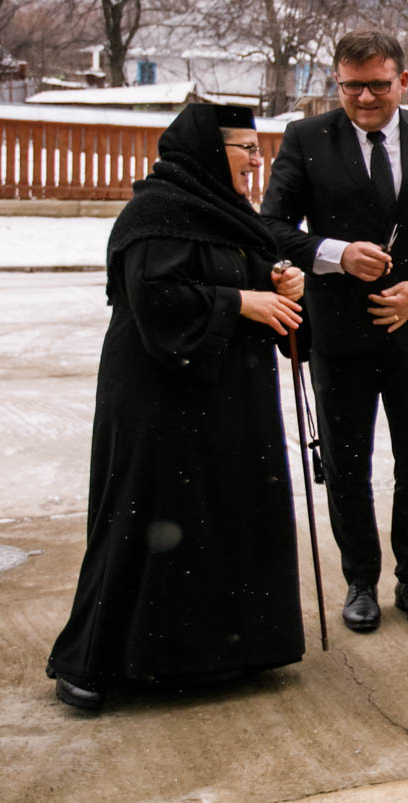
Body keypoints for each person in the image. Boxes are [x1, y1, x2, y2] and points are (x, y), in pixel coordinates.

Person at [48, 104, 306, 711]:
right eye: (243, 146)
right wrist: (240, 302)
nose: (253, 157)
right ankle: (105, 660)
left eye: (255, 146)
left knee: (223, 517)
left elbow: (252, 282)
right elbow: (154, 298)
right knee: (147, 519)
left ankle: (224, 653)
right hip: (158, 401)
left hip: (232, 402)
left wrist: (283, 287)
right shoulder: (155, 212)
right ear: (207, 151)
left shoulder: (234, 212)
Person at [262, 29, 408, 634]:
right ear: (337, 82)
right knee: (346, 463)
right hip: (338, 334)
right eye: (351, 85)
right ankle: (359, 580)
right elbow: (273, 226)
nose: (364, 97)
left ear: (403, 82)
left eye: (378, 85)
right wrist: (334, 253)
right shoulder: (306, 138)